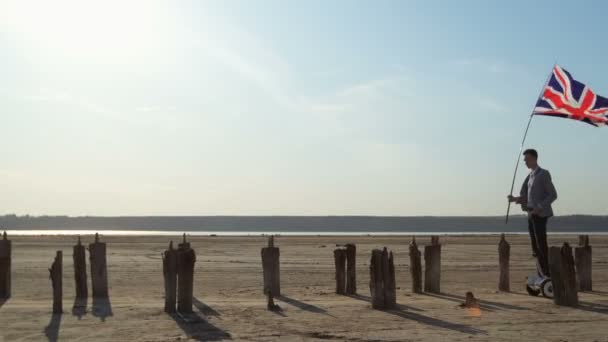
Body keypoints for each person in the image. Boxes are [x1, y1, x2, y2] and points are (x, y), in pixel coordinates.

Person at [508, 149, 557, 277]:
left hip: (540, 214)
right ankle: (540, 272)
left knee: (541, 243)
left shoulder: (543, 174)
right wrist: (515, 199)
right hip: (530, 213)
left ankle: (546, 273)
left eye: (527, 159)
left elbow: (553, 195)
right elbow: (528, 198)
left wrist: (539, 207)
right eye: (524, 160)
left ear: (534, 159)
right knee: (534, 244)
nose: (525, 162)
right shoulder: (530, 176)